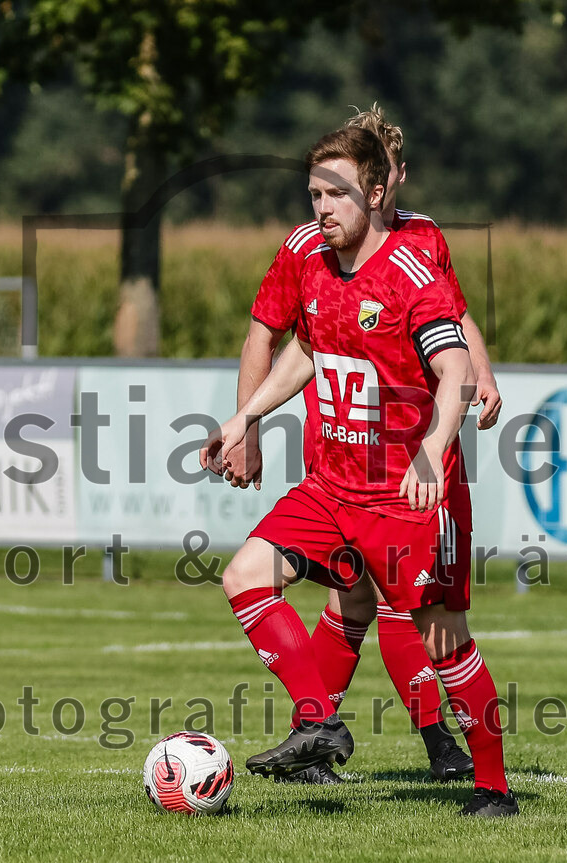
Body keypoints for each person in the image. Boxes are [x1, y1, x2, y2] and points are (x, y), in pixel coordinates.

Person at [202, 126, 516, 817]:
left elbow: (453, 369)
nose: (322, 208)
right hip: (330, 485)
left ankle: (492, 790)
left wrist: (434, 448)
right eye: (314, 193)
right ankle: (319, 722)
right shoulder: (313, 262)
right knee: (244, 575)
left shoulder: (411, 273)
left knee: (443, 638)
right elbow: (306, 352)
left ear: (375, 193)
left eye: (336, 193)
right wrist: (245, 417)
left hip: (402, 493)